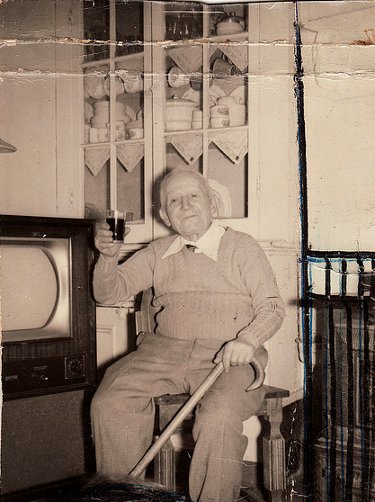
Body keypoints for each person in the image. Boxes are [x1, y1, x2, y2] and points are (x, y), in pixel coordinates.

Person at [90, 168, 285, 502]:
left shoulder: (241, 247)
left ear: (211, 203)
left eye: (193, 195)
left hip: (228, 357)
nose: (185, 205)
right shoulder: (158, 251)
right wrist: (107, 259)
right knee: (109, 401)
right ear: (165, 215)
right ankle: (121, 497)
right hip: (161, 354)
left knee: (218, 417)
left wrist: (248, 340)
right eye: (174, 200)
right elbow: (108, 294)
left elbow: (272, 307)